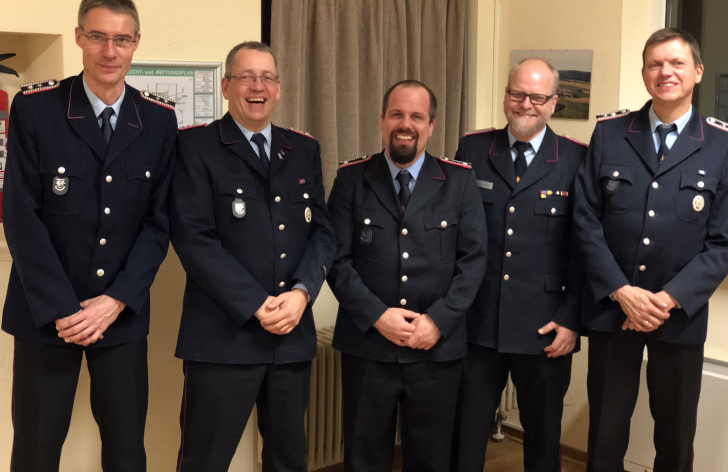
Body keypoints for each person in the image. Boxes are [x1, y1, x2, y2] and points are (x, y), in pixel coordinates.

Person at [2, 0, 178, 471]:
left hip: (118, 315)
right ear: (79, 36)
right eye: (98, 36)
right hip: (45, 314)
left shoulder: (159, 120)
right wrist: (63, 308)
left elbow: (157, 222)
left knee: (125, 449)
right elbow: (20, 215)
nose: (109, 51)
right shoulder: (37, 109)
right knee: (36, 449)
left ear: (136, 43)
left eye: (121, 40)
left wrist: (114, 300)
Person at [170, 41, 336, 471]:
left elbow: (321, 231)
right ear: (227, 86)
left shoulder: (302, 149)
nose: (257, 86)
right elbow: (194, 238)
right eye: (246, 76)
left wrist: (302, 294)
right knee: (204, 460)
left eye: (266, 77)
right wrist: (257, 304)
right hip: (222, 339)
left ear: (279, 89)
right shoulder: (197, 147)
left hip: (290, 337)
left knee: (288, 460)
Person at [574, 28, 728, 471]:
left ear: (697, 72)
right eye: (656, 64)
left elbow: (722, 242)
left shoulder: (720, 144)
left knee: (676, 433)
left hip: (677, 313)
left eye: (677, 63)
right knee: (605, 429)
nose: (666, 73)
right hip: (613, 308)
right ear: (644, 73)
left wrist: (666, 298)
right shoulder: (610, 133)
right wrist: (622, 291)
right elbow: (585, 220)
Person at [326, 79, 487, 472]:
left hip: (435, 349)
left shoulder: (459, 180)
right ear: (381, 120)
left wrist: (439, 321)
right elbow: (335, 259)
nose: (405, 124)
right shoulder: (351, 178)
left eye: (416, 116)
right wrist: (378, 316)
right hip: (368, 346)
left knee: (431, 459)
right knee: (364, 458)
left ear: (431, 126)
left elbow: (474, 260)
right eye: (396, 114)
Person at [451, 58, 585, 472]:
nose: (526, 104)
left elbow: (587, 248)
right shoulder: (473, 149)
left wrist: (573, 319)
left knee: (543, 442)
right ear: (506, 94)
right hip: (477, 324)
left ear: (554, 102)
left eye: (538, 97)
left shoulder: (576, 159)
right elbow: (454, 235)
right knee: (464, 437)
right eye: (517, 94)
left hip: (545, 329)